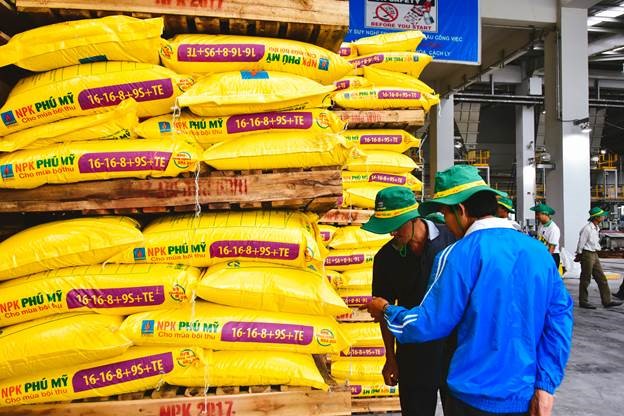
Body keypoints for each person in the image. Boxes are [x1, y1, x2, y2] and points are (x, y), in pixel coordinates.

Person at [365, 165, 573, 416]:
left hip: (472, 396)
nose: (445, 221)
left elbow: (430, 322)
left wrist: (387, 310)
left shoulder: (458, 254)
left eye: (445, 213)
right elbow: (560, 318)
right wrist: (546, 385)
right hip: (523, 397)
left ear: (461, 210)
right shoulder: (538, 252)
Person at [361, 186, 456, 416]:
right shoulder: (386, 258)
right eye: (388, 229)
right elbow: (384, 311)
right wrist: (390, 357)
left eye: (396, 226)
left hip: (454, 349)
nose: (392, 234)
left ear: (414, 218)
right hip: (413, 351)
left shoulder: (451, 240)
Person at [574, 207, 622, 309]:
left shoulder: (596, 228)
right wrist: (579, 254)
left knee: (601, 278)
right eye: (602, 216)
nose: (604, 217)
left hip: (594, 254)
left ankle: (607, 301)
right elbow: (581, 243)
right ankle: (583, 301)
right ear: (596, 217)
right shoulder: (587, 229)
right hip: (587, 254)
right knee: (585, 278)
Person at [531, 203, 561, 268]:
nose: (536, 217)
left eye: (538, 214)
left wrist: (546, 261)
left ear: (545, 214)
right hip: (542, 254)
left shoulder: (553, 229)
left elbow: (552, 248)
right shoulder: (541, 225)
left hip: (551, 256)